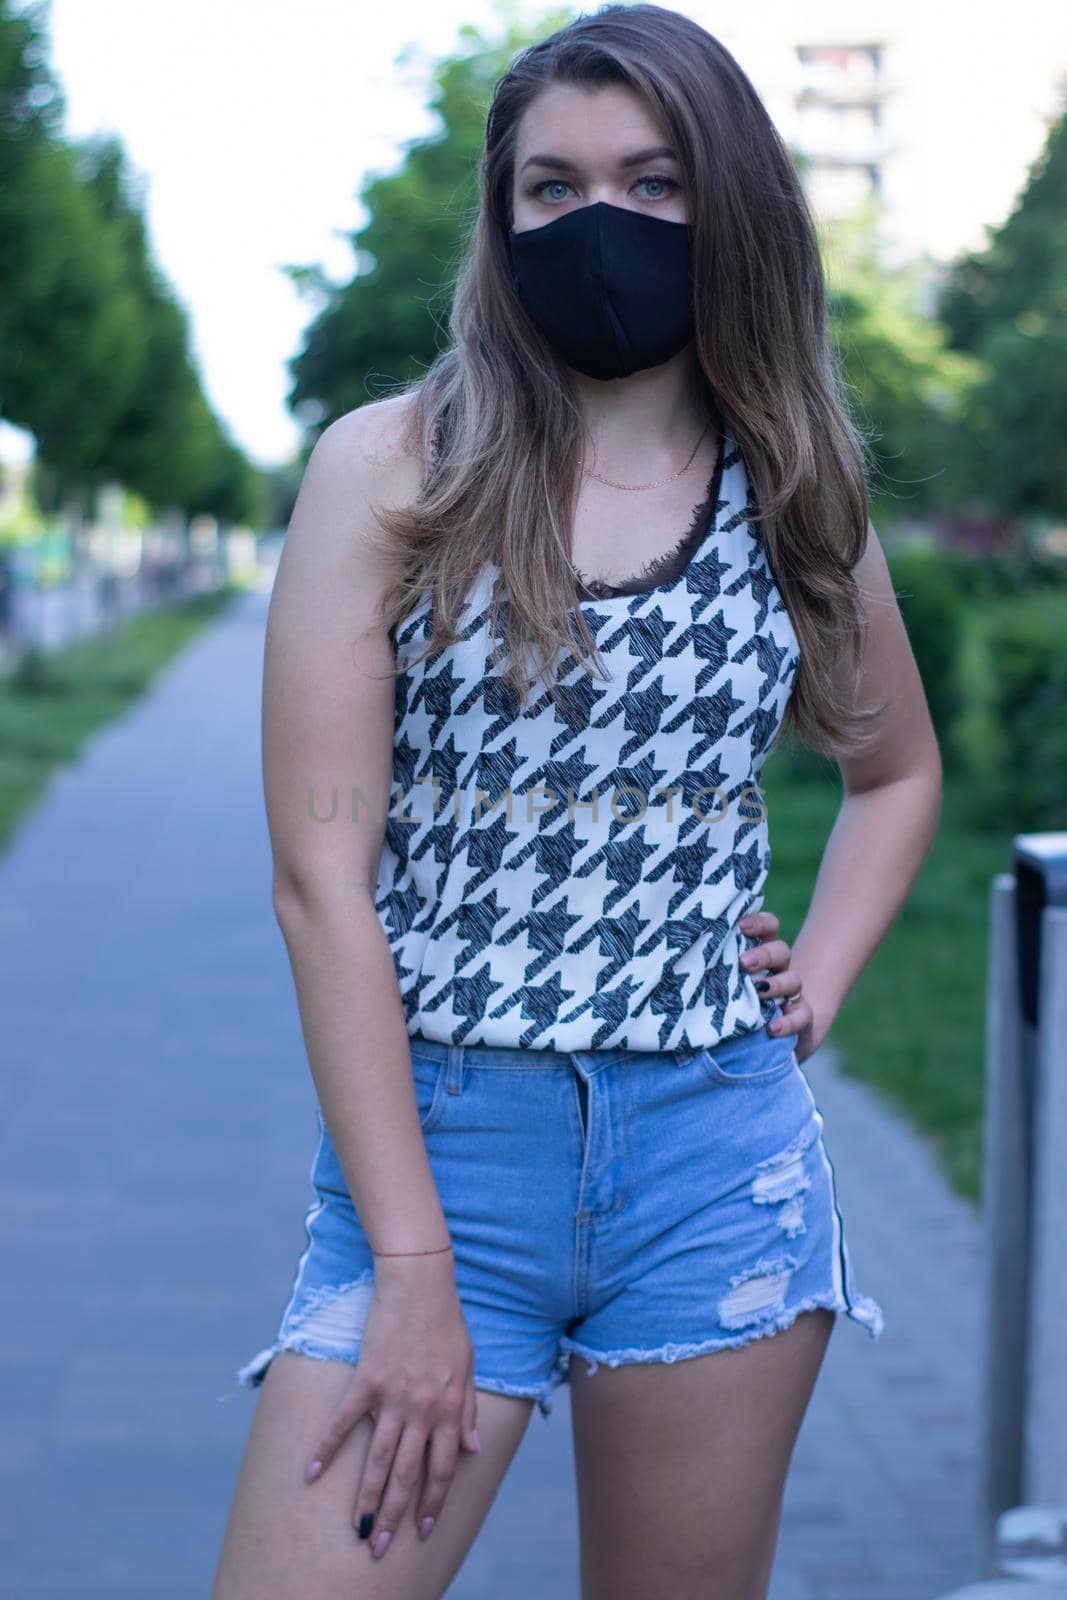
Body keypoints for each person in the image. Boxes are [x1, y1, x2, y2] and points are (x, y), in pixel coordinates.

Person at [210, 7, 941, 1597]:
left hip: (714, 1160)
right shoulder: (396, 467)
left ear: (729, 204)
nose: (595, 221)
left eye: (651, 181)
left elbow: (894, 771)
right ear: (504, 217)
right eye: (550, 188)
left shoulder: (792, 480)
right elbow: (319, 884)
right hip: (445, 1155)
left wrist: (816, 975)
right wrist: (410, 1260)